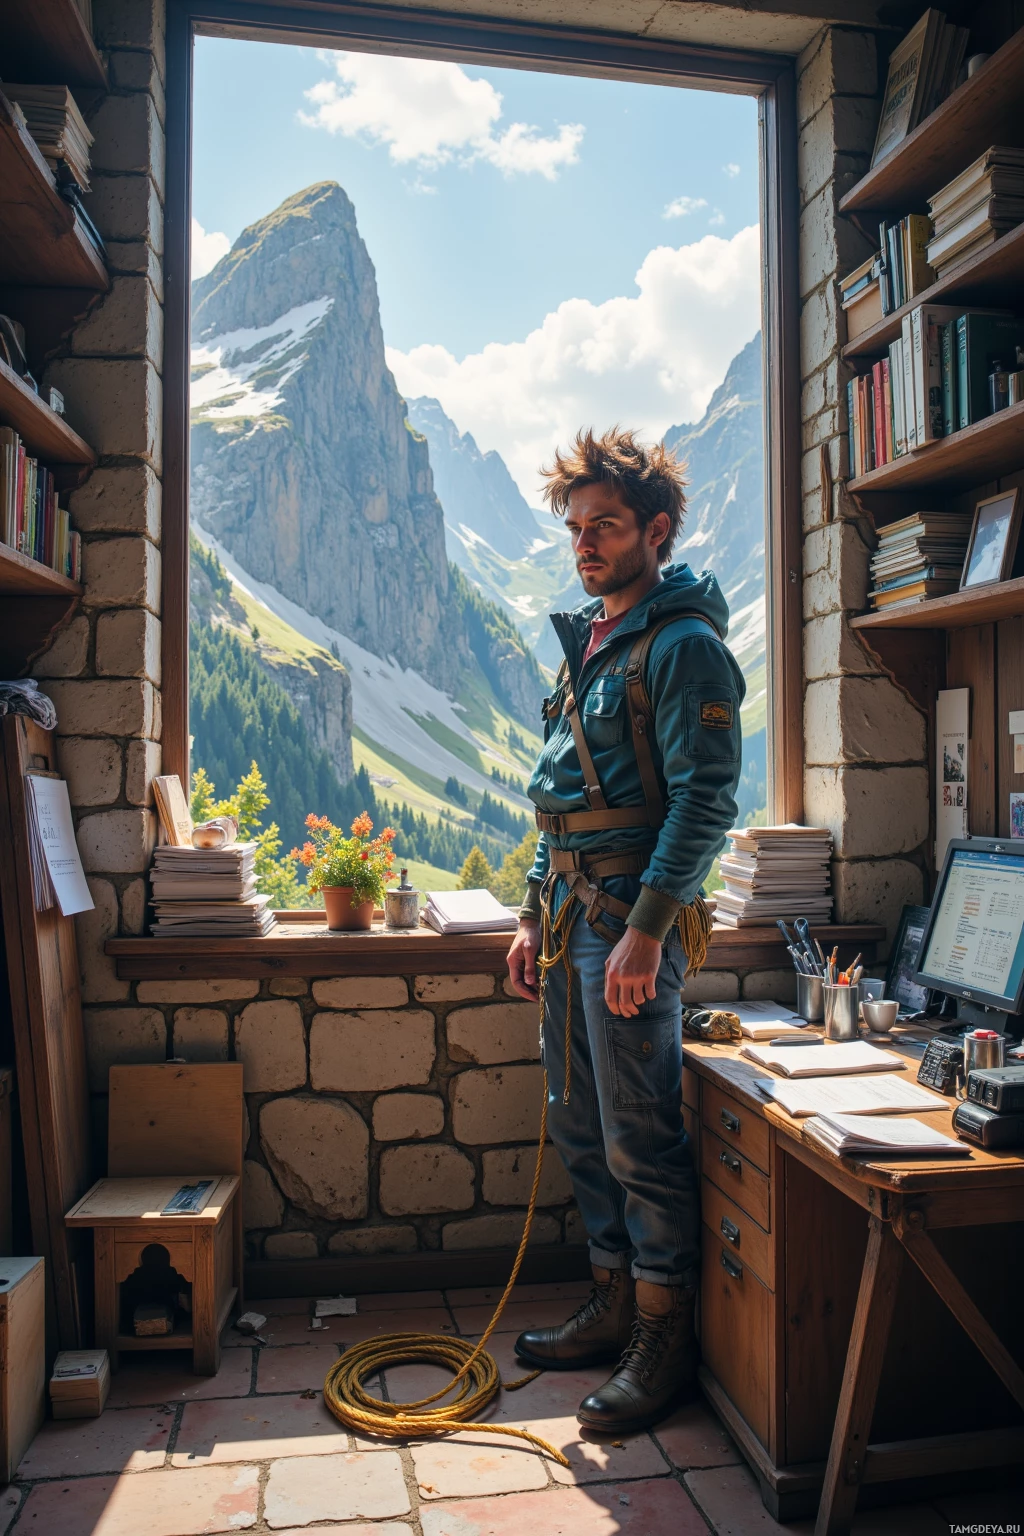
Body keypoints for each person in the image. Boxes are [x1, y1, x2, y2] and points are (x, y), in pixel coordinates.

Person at [506, 427, 744, 1434]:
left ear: (655, 529)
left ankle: (662, 1335)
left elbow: (705, 803)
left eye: (604, 525)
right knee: (577, 1119)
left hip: (623, 922)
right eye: (575, 528)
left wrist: (648, 932)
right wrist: (527, 910)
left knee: (638, 1132)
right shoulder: (594, 641)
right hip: (568, 914)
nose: (585, 543)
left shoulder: (684, 646)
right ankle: (610, 1306)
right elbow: (559, 797)